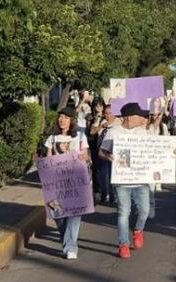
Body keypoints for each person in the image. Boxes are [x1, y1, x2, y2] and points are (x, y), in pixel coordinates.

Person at [99, 102, 152, 259]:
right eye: (138, 115)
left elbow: (154, 149)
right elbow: (102, 152)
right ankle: (123, 244)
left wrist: (171, 151)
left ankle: (138, 230)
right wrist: (110, 157)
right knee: (124, 212)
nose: (141, 118)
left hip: (140, 179)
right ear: (130, 117)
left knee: (144, 210)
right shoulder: (114, 132)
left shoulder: (142, 132)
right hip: (122, 180)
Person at [40, 107, 91, 259]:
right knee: (58, 214)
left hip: (76, 182)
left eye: (66, 117)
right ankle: (67, 240)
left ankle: (70, 247)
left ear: (72, 121)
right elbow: (49, 158)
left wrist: (82, 157)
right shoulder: (52, 139)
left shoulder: (80, 137)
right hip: (57, 183)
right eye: (60, 117)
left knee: (74, 214)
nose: (62, 120)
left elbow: (86, 156)